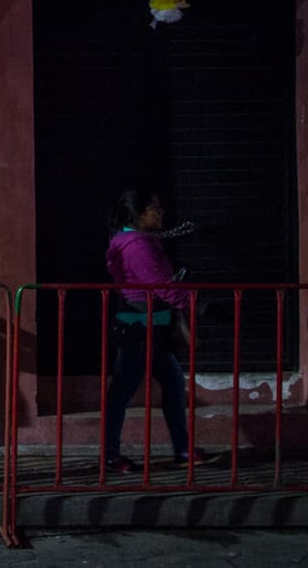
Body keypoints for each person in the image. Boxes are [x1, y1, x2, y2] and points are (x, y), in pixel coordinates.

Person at [103, 189, 215, 472]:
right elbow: (163, 287)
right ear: (138, 215)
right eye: (154, 207)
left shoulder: (132, 241)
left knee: (173, 386)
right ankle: (111, 456)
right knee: (122, 392)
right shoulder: (138, 245)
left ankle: (182, 450)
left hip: (148, 327)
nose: (161, 210)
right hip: (140, 329)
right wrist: (201, 305)